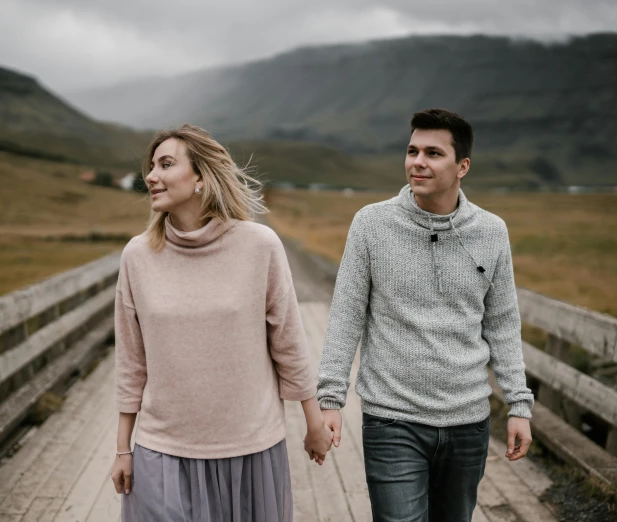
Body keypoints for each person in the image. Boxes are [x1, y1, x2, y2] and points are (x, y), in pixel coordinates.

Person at [317, 108, 534, 522]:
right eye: (412, 150)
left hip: (468, 421)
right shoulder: (371, 224)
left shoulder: (492, 232)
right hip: (391, 418)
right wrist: (330, 399)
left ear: (462, 166)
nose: (417, 162)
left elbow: (503, 325)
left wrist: (519, 406)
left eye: (433, 153)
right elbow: (346, 316)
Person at [110, 124, 333, 522]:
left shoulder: (259, 245)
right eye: (150, 167)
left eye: (165, 164)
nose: (150, 176)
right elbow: (131, 361)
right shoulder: (137, 257)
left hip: (248, 448)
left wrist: (313, 421)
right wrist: (123, 448)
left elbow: (288, 343)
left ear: (200, 177)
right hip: (161, 447)